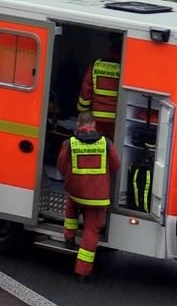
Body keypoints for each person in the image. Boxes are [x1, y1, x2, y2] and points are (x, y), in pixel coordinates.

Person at [58, 110, 121, 283]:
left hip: (76, 193)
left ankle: (69, 238)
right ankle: (82, 272)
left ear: (78, 125)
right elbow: (116, 166)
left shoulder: (69, 143)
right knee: (91, 231)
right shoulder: (106, 144)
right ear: (94, 125)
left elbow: (61, 167)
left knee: (71, 204)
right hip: (98, 197)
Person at [78, 46, 122, 139]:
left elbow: (86, 91)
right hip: (116, 120)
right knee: (110, 146)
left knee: (95, 143)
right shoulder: (124, 67)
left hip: (96, 119)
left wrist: (83, 112)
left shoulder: (95, 65)